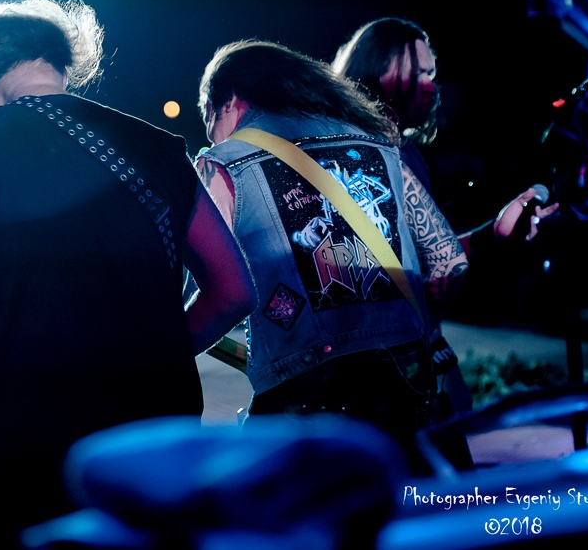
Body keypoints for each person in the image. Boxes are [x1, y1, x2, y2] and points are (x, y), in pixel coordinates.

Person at [0, 0, 256, 549]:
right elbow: (233, 291)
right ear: (63, 64)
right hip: (157, 435)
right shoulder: (158, 147)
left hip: (32, 440)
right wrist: (150, 352)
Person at [193, 39, 469, 475]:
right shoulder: (377, 145)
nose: (212, 134)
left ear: (227, 100)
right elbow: (449, 262)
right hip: (403, 382)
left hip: (304, 397)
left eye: (209, 118)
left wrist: (166, 349)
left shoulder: (223, 164)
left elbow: (215, 292)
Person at [330, 17, 560, 413]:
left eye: (432, 74)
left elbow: (430, 257)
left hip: (414, 347)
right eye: (419, 72)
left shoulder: (404, 152)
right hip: (376, 367)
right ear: (375, 69)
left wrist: (496, 233)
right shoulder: (354, 158)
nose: (431, 86)